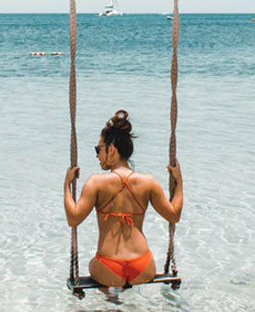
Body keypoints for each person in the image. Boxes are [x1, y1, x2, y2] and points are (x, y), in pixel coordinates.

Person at [63, 110, 183, 288]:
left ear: (111, 149)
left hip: (109, 267)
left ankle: (113, 301)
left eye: (99, 149)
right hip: (143, 266)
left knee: (92, 264)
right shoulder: (148, 182)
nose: (97, 155)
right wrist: (179, 181)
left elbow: (73, 219)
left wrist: (66, 185)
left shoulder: (96, 182)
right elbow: (174, 215)